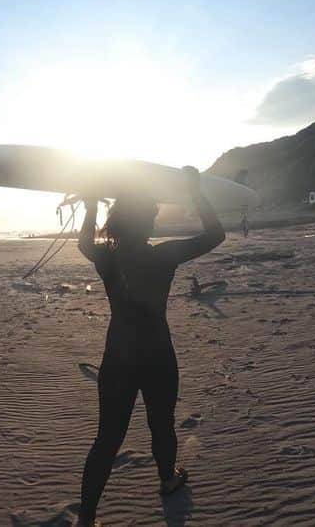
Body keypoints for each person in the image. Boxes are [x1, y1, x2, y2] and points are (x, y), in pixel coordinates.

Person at [75, 166, 226, 527]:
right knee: (162, 424)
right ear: (150, 223)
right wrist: (195, 191)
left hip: (118, 355)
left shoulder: (106, 258)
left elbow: (83, 243)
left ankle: (86, 519)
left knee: (107, 437)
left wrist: (92, 203)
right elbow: (216, 234)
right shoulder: (164, 256)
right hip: (157, 353)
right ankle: (167, 480)